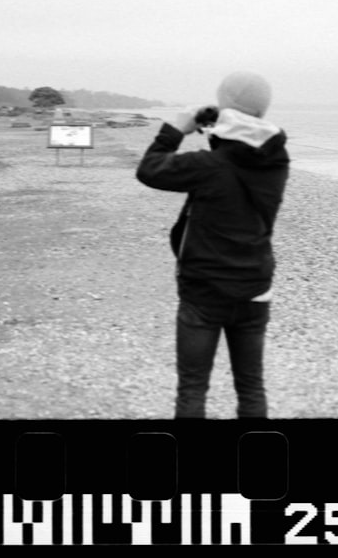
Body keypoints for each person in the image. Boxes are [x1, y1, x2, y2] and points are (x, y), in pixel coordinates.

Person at [136, 71, 289, 419]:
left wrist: (177, 129)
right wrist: (222, 128)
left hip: (202, 293)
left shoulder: (208, 167)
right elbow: (241, 157)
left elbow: (150, 169)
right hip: (254, 289)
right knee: (251, 388)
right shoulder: (277, 162)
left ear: (226, 107)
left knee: (192, 388)